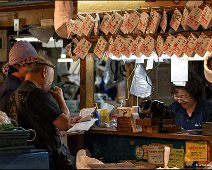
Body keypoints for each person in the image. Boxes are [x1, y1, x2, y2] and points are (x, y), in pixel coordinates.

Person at [7, 57, 80, 170]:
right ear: (44, 72)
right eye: (52, 77)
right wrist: (61, 99)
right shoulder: (38, 94)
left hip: (22, 157)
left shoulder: (14, 94)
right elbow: (64, 124)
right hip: (43, 157)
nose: (51, 82)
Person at [0, 41, 38, 113]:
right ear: (16, 65)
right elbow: (6, 120)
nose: (34, 67)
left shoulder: (19, 84)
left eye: (35, 63)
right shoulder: (11, 88)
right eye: (30, 63)